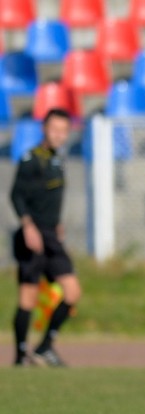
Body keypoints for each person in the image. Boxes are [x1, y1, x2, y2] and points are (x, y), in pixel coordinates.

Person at [10, 108, 81, 367]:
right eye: (54, 130)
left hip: (52, 236)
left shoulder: (57, 158)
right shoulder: (32, 159)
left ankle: (44, 347)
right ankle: (20, 356)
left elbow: (49, 199)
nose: (59, 135)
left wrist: (57, 223)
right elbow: (16, 195)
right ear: (44, 129)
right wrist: (28, 226)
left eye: (64, 131)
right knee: (27, 297)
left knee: (72, 292)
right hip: (33, 235)